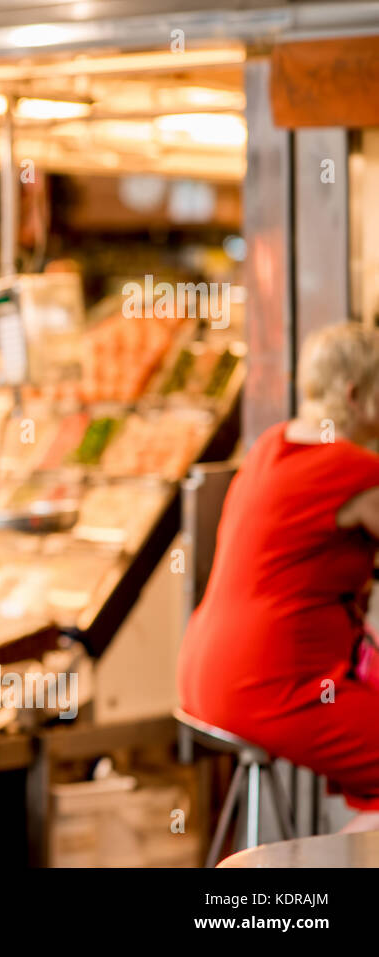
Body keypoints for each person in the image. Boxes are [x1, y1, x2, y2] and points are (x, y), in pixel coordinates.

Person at [177, 322, 379, 831]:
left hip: (205, 671)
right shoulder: (352, 468)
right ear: (357, 396)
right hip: (268, 684)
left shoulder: (271, 444)